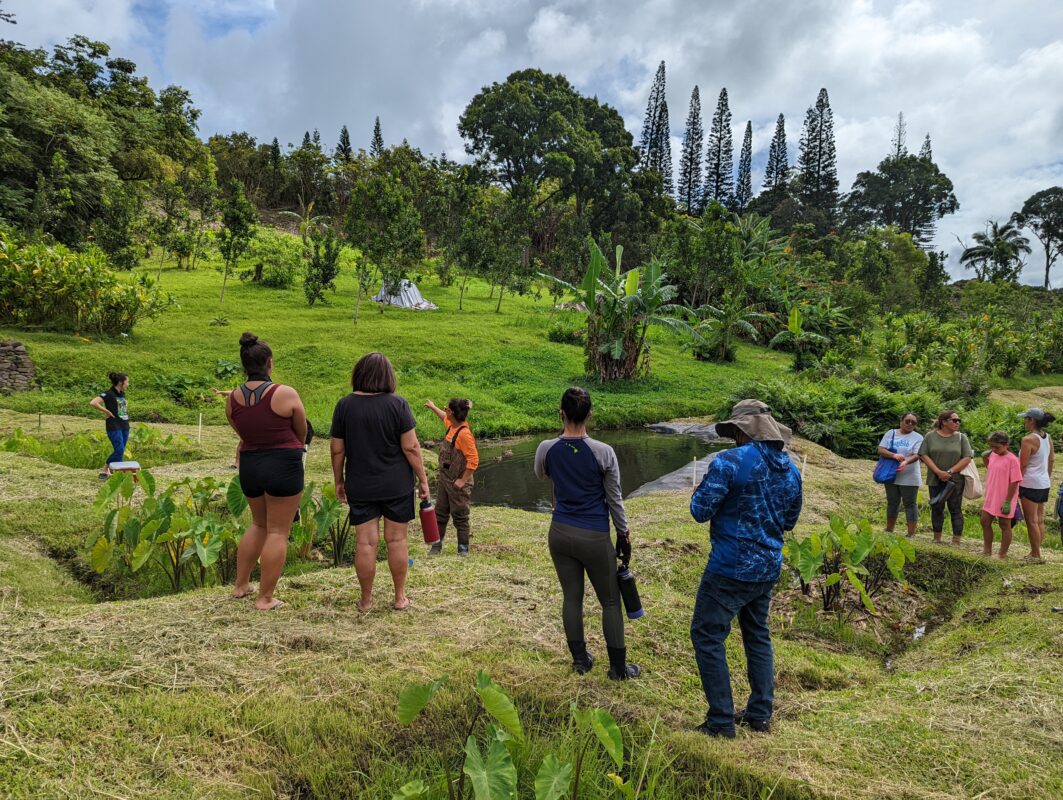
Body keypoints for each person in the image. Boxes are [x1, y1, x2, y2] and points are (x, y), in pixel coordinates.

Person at [689, 399, 803, 738]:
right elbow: (790, 520)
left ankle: (721, 721)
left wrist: (699, 493)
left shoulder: (728, 462)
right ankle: (760, 714)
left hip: (730, 567)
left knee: (707, 634)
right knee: (757, 634)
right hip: (768, 566)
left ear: (741, 430)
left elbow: (700, 510)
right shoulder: (791, 469)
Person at [534, 387, 639, 681]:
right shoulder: (603, 452)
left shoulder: (546, 448)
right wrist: (624, 532)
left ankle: (581, 660)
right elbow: (614, 497)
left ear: (561, 414)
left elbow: (542, 475)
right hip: (593, 535)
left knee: (571, 597)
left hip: (559, 532)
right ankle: (619, 669)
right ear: (590, 414)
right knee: (609, 601)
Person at [330, 352, 429, 612]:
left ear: (358, 375)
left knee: (365, 543)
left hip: (360, 484)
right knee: (396, 541)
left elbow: (337, 450)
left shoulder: (344, 406)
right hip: (396, 484)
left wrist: (338, 480)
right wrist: (423, 479)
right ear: (388, 376)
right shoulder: (398, 405)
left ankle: (365, 600)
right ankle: (399, 598)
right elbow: (411, 448)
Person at [226, 333, 307, 611]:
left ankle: (241, 585)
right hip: (283, 463)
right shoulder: (285, 393)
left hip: (250, 465)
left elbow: (240, 432)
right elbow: (302, 431)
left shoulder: (233, 398)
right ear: (269, 363)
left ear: (244, 365)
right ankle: (265, 597)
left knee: (258, 525)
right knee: (278, 531)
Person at [424, 398, 479, 556]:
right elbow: (443, 417)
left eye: (447, 409)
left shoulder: (464, 435)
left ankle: (463, 549)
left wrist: (463, 480)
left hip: (458, 483)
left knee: (460, 516)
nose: (445, 411)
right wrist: (433, 407)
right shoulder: (451, 426)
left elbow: (474, 461)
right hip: (445, 480)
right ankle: (436, 546)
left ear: (453, 413)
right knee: (440, 513)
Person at [919, 410, 974, 545]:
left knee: (955, 509)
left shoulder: (961, 437)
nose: (958, 423)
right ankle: (937, 538)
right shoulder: (930, 436)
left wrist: (949, 471)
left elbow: (967, 457)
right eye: (954, 420)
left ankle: (956, 541)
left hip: (955, 480)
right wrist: (938, 471)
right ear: (944, 422)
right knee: (937, 507)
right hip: (935, 478)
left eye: (959, 420)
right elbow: (923, 455)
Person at [1017, 408, 1056, 561]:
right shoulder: (1047, 437)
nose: (1024, 422)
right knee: (1039, 519)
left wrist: (1016, 482)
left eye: (1026, 419)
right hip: (1043, 482)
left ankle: (1035, 554)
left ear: (1031, 420)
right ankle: (1036, 550)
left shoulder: (1028, 440)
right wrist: (1046, 476)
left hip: (1030, 482)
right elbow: (1051, 459)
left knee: (1031, 520)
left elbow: (1023, 464)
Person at [877, 413, 924, 536]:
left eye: (913, 422)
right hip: (891, 473)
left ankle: (911, 533)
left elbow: (917, 455)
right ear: (901, 421)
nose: (910, 424)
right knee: (892, 502)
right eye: (907, 421)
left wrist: (905, 462)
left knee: (910, 503)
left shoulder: (918, 437)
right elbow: (881, 449)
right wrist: (894, 455)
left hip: (910, 474)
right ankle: (889, 529)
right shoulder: (890, 433)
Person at [980, 431, 1022, 559]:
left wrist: (1008, 501)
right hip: (991, 495)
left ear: (1006, 445)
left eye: (996, 447)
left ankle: (1002, 554)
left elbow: (1015, 481)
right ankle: (987, 550)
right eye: (991, 446)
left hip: (1005, 497)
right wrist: (985, 456)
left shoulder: (1012, 460)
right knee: (985, 521)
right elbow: (990, 467)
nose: (994, 449)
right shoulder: (992, 455)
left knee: (1004, 524)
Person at [89, 372, 130, 479]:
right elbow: (93, 402)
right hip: (113, 425)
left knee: (120, 450)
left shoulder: (122, 394)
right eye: (127, 382)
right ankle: (107, 470)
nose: (128, 384)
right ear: (121, 382)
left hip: (124, 425)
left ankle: (110, 471)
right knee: (119, 449)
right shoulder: (109, 393)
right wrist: (107, 412)